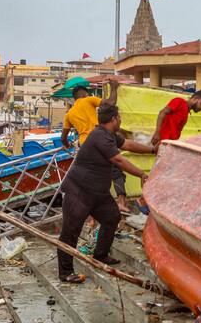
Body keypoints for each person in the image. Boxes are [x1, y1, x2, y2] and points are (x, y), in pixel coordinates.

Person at [58, 104, 156, 283]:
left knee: (112, 217)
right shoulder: (99, 137)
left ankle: (100, 255)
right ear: (113, 119)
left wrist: (152, 150)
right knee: (70, 231)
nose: (120, 120)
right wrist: (141, 174)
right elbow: (118, 159)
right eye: (119, 118)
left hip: (98, 193)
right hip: (79, 190)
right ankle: (65, 273)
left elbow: (129, 144)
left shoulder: (109, 135)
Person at [61, 81, 130, 213]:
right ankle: (121, 202)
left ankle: (91, 216)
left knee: (92, 177)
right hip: (100, 138)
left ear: (74, 98)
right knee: (116, 170)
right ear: (84, 94)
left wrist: (67, 145)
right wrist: (114, 88)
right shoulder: (88, 100)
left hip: (85, 146)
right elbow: (110, 103)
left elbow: (63, 138)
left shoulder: (69, 114)